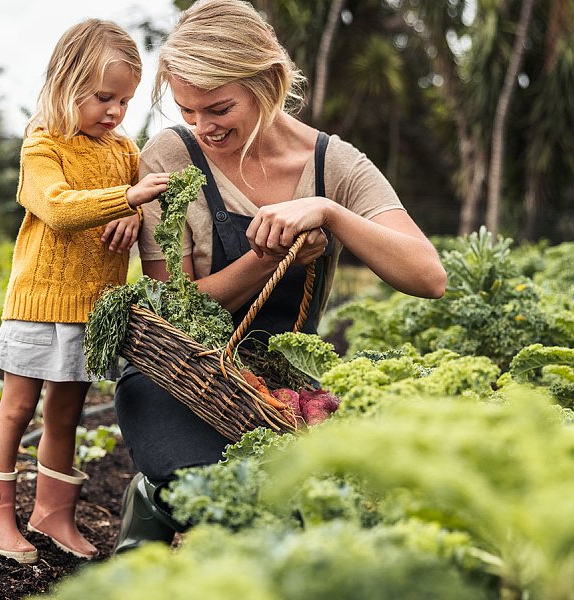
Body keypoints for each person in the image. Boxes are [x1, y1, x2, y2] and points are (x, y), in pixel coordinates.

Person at [113, 0, 447, 552]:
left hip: (282, 386)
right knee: (221, 494)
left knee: (314, 508)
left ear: (267, 81)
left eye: (218, 108)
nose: (203, 127)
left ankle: (163, 508)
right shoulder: (170, 157)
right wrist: (267, 258)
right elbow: (172, 312)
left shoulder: (332, 165)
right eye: (188, 110)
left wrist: (330, 212)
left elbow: (427, 275)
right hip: (180, 377)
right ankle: (155, 501)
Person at [0, 18, 172, 564]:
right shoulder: (43, 145)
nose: (114, 111)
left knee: (67, 415)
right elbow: (60, 209)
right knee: (16, 409)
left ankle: (52, 515)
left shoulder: (123, 150)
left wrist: (133, 217)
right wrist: (127, 201)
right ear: (66, 83)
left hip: (94, 309)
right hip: (39, 303)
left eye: (125, 101)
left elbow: (132, 208)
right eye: (104, 97)